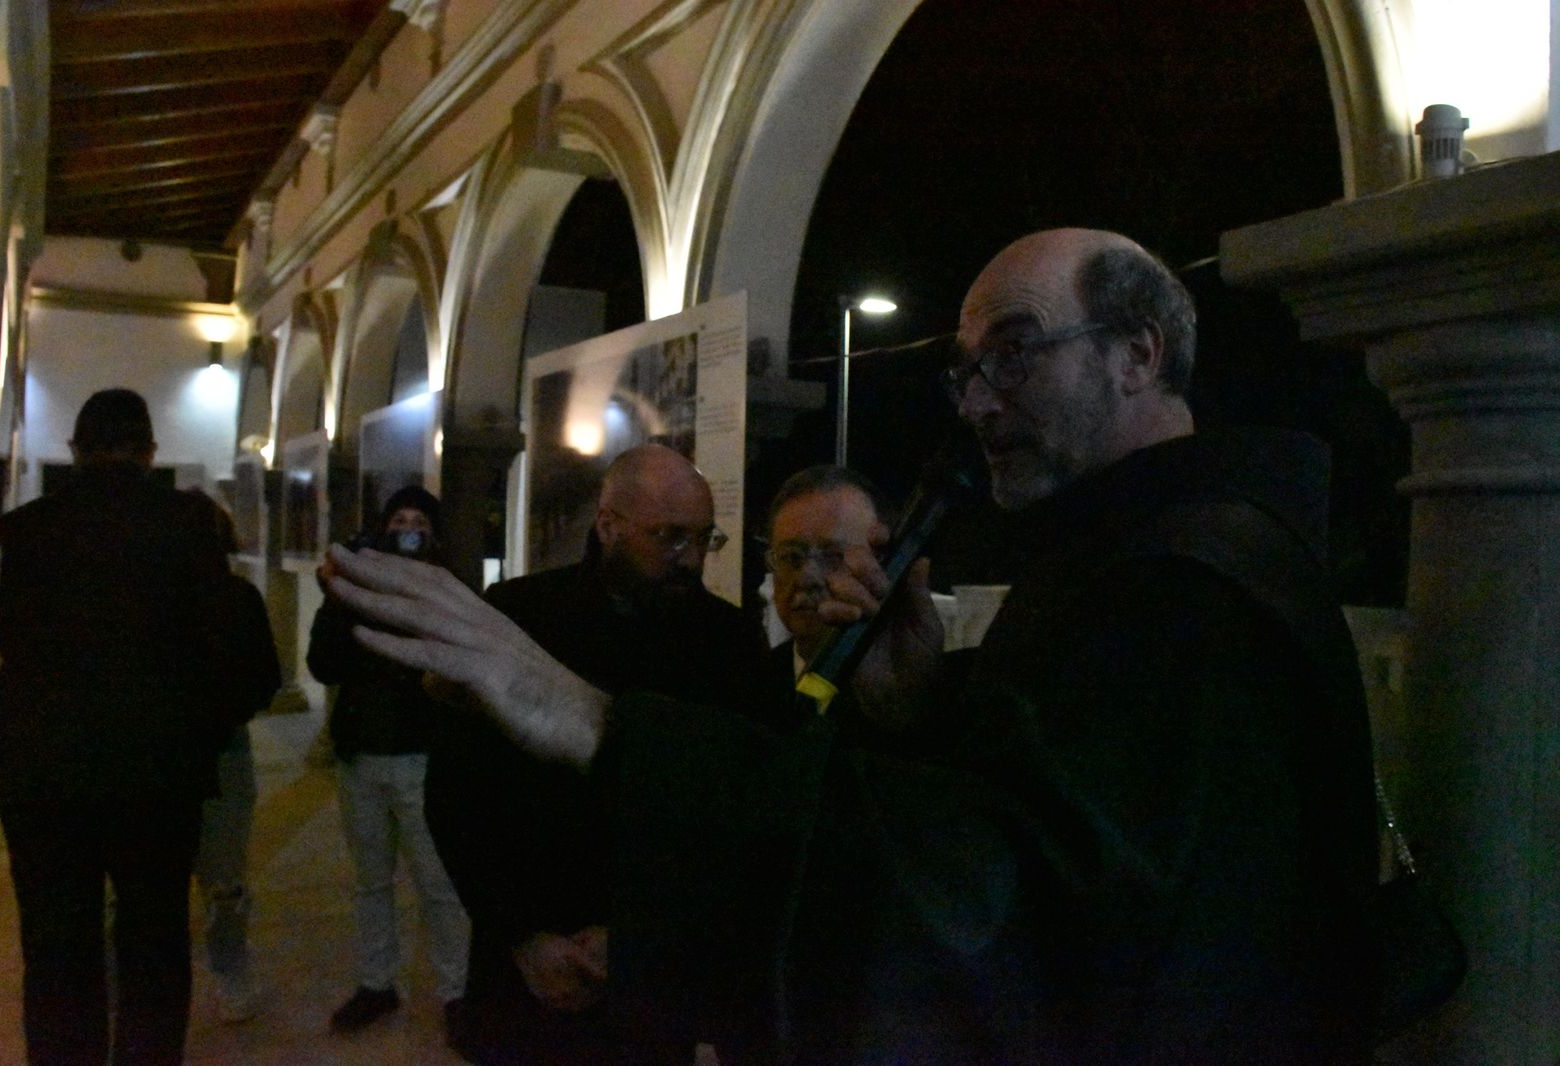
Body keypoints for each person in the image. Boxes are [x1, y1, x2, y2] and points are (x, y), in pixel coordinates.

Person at [325, 228, 1380, 1063]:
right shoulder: (1135, 557)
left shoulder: (1183, 589)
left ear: (1137, 354)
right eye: (963, 370)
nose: (974, 403)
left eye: (1011, 355)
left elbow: (981, 912)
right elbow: (1048, 840)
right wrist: (920, 703)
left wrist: (595, 721)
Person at [423, 442, 773, 1064]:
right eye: (670, 537)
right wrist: (523, 934)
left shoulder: (731, 640)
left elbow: (735, 810)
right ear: (609, 526)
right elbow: (459, 793)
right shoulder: (517, 619)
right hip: (524, 964)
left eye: (704, 539)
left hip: (654, 973)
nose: (691, 560)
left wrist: (642, 936)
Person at [0, 388, 232, 1066]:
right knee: (153, 941)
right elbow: (215, 647)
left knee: (58, 948)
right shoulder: (187, 523)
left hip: (44, 767)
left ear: (75, 450)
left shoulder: (30, 526)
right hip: (154, 767)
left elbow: (13, 637)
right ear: (148, 452)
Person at [307, 485, 469, 1039]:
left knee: (438, 883)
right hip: (362, 758)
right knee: (370, 881)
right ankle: (376, 983)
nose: (408, 529)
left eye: (418, 521)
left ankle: (457, 993)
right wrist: (336, 596)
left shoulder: (448, 591)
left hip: (423, 758)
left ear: (434, 533)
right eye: (398, 520)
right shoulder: (358, 591)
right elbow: (323, 665)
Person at [190, 498, 281, 1023]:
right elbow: (264, 679)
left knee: (219, 875)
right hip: (218, 746)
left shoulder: (236, 598)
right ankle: (227, 970)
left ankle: (224, 968)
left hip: (208, 748)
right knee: (221, 875)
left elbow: (263, 676)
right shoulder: (237, 596)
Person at [763, 464, 886, 679]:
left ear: (882, 562)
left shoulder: (917, 691)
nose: (805, 578)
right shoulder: (746, 685)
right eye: (791, 556)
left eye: (833, 556)